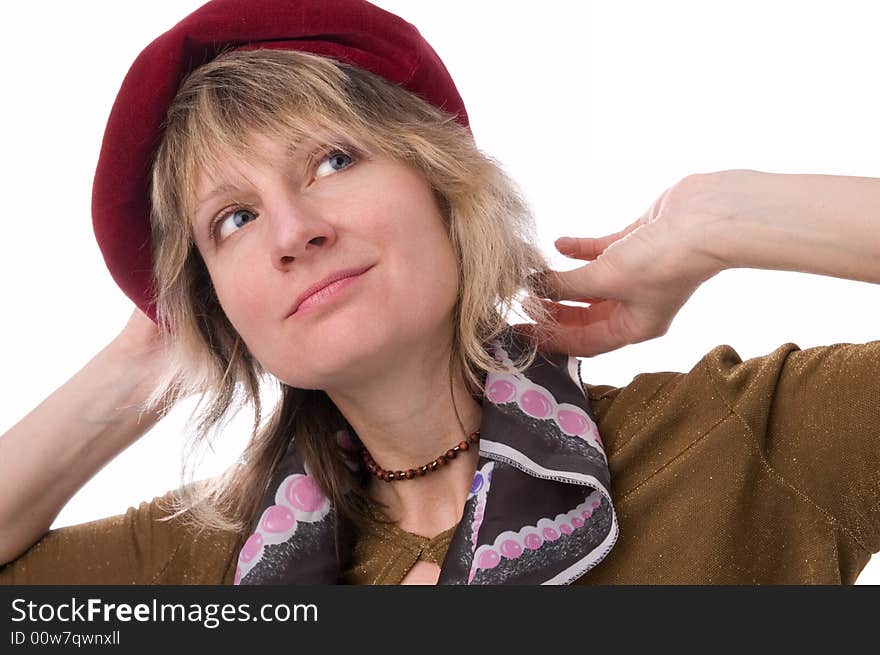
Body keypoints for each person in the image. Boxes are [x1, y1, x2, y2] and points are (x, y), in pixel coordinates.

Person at [1, 0, 878, 585]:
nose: (292, 231)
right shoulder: (207, 558)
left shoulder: (736, 444)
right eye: (231, 220)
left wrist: (721, 217)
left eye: (333, 160)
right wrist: (147, 349)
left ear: (444, 188)